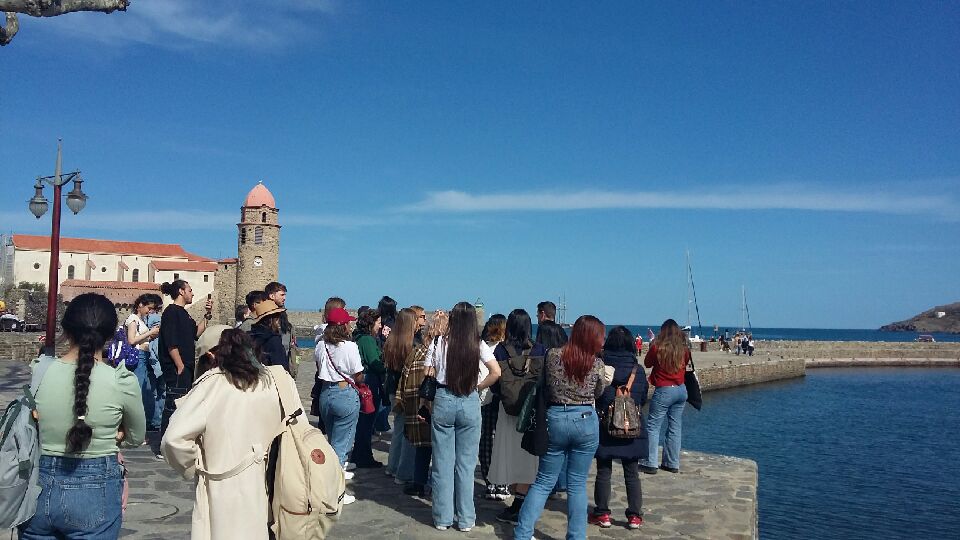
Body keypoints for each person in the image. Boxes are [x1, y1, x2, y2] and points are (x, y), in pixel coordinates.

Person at [18, 293, 145, 539]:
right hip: (96, 490)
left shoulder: (41, 371)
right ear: (109, 335)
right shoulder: (121, 380)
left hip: (37, 486)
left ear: (66, 331)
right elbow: (136, 436)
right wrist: (114, 436)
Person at [161, 329, 303, 538]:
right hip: (281, 486)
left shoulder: (212, 384)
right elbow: (300, 429)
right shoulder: (280, 378)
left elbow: (173, 439)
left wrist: (194, 464)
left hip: (227, 489)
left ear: (210, 355)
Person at [514, 315, 608, 540]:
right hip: (585, 419)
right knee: (576, 484)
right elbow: (599, 391)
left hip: (555, 417)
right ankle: (576, 536)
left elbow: (544, 384)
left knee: (544, 480)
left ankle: (523, 532)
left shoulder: (553, 355)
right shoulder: (596, 363)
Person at [424, 302, 501, 532]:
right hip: (468, 400)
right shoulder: (478, 344)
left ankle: (442, 517)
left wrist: (428, 402)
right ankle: (466, 518)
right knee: (466, 465)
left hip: (444, 399)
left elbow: (427, 372)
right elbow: (496, 372)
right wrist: (478, 386)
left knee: (442, 463)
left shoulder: (439, 343)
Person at [490, 309, 546, 524]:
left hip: (508, 410)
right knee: (529, 459)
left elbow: (495, 383)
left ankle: (518, 503)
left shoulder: (501, 351)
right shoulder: (540, 349)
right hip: (531, 411)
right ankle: (523, 500)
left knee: (510, 456)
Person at [590, 326, 648, 530]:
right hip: (631, 427)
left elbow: (597, 395)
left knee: (603, 471)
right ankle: (634, 516)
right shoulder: (637, 370)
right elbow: (641, 398)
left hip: (606, 425)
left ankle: (603, 513)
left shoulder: (602, 367)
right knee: (631, 473)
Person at [157, 280, 212, 455]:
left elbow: (195, 333)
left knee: (181, 405)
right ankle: (164, 446)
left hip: (186, 366)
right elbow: (171, 342)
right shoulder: (171, 313)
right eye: (190, 290)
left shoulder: (184, 314)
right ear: (181, 291)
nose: (192, 293)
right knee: (173, 404)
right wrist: (179, 364)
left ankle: (174, 443)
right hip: (177, 367)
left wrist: (207, 315)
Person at [399, 309, 445, 497]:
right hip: (440, 405)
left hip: (418, 406)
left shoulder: (417, 352)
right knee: (442, 451)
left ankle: (419, 482)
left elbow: (405, 378)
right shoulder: (446, 353)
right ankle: (438, 486)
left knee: (423, 448)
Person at [314, 307, 363, 483]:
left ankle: (331, 478)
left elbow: (319, 367)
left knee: (333, 439)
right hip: (344, 393)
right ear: (343, 326)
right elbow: (357, 374)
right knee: (341, 445)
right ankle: (333, 491)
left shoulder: (321, 345)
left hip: (326, 392)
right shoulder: (350, 347)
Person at [640, 318, 690, 475]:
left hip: (664, 389)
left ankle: (650, 461)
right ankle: (671, 463)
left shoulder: (657, 347)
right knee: (675, 426)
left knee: (653, 426)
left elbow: (647, 363)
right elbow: (687, 362)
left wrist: (653, 344)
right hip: (681, 389)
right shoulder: (684, 349)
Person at [383, 308, 418, 485]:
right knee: (407, 432)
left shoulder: (391, 341)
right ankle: (402, 471)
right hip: (405, 391)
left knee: (397, 429)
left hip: (392, 390)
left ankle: (392, 466)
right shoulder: (412, 345)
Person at [351, 308, 386, 468]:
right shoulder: (367, 340)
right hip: (370, 382)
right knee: (367, 421)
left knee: (363, 421)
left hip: (366, 381)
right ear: (371, 323)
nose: (380, 326)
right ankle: (363, 455)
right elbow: (374, 362)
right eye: (378, 323)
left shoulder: (359, 337)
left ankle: (360, 453)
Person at [479, 313, 508, 501]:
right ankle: (502, 484)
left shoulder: (481, 346)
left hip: (481, 398)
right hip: (498, 398)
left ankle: (490, 483)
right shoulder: (503, 349)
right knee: (500, 441)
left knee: (485, 441)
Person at [124, 294, 161, 433]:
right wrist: (150, 332)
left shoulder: (140, 319)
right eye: (149, 308)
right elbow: (132, 340)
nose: (150, 311)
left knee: (146, 392)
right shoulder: (133, 319)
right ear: (140, 305)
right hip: (139, 356)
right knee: (139, 391)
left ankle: (143, 424)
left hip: (144, 356)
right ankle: (134, 427)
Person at [375, 296, 399, 433]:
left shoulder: (382, 322)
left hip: (382, 358)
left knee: (381, 394)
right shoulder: (394, 322)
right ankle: (382, 423)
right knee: (386, 394)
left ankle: (380, 423)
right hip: (388, 360)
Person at [265, 281, 298, 376]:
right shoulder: (265, 317)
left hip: (284, 365)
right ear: (272, 296)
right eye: (282, 295)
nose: (284, 298)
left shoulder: (283, 314)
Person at [247, 299, 288, 371]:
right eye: (278, 316)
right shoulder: (273, 339)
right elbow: (280, 366)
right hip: (268, 378)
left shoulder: (250, 335)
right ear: (273, 319)